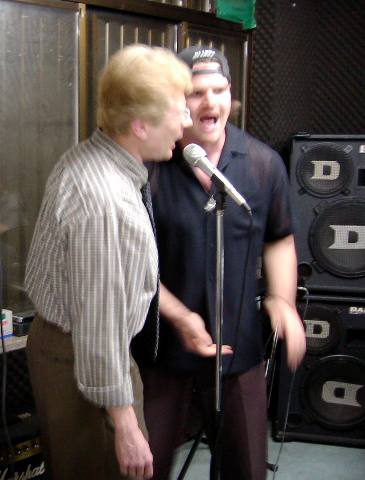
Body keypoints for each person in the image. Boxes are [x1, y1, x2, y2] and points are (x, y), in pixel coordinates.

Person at [139, 45, 307, 480]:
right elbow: (130, 262)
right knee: (147, 465)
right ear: (177, 101)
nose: (210, 102)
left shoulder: (263, 163)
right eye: (196, 93)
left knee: (245, 467)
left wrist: (283, 301)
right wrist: (178, 317)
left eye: (219, 90)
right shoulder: (152, 164)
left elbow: (279, 238)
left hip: (237, 343)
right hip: (162, 344)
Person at [25, 44, 193, 480]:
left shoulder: (92, 157)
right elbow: (99, 326)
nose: (187, 121)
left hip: (76, 350)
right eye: (179, 110)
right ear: (140, 125)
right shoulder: (106, 202)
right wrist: (125, 424)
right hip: (84, 359)